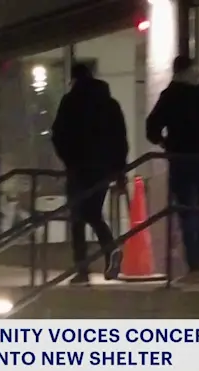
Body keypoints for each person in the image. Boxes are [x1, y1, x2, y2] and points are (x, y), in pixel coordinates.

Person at [146, 56, 199, 284]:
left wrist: (165, 143)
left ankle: (196, 265)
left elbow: (152, 127)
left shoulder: (172, 96)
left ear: (177, 73)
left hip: (182, 158)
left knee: (188, 210)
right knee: (198, 207)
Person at [51, 63, 128, 285]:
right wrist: (119, 170)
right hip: (103, 169)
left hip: (78, 167)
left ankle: (82, 270)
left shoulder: (70, 102)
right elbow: (120, 140)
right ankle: (110, 250)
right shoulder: (110, 104)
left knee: (77, 218)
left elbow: (58, 135)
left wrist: (68, 158)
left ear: (74, 79)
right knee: (93, 212)